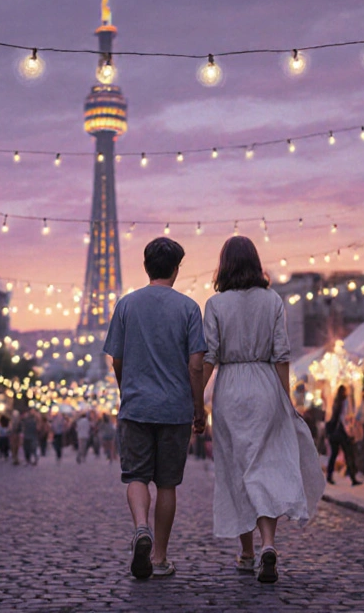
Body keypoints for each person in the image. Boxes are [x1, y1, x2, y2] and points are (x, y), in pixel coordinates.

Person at [202, 236, 324, 584]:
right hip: (265, 385)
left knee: (237, 469)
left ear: (224, 265)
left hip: (231, 389)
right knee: (266, 466)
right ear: (256, 264)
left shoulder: (215, 304)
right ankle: (268, 543)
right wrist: (285, 400)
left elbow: (209, 357)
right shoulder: (272, 300)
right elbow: (281, 355)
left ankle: (247, 552)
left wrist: (196, 400)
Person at [103, 237, 208, 580]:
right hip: (175, 409)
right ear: (177, 269)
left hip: (136, 406)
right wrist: (198, 408)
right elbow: (196, 366)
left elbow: (116, 358)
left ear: (146, 267)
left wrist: (127, 389)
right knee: (166, 484)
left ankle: (140, 528)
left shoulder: (127, 305)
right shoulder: (190, 308)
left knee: (135, 476)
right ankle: (160, 557)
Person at [325, 385, 362, 486]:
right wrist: (350, 429)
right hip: (342, 431)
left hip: (334, 432)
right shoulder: (346, 401)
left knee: (333, 455)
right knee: (349, 454)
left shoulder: (336, 402)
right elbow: (345, 416)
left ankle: (329, 476)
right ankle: (353, 478)